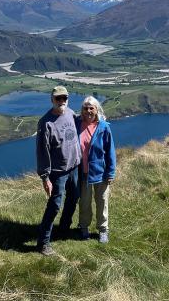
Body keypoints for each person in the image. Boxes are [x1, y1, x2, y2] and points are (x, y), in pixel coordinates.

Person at [35, 85, 81, 255]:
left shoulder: (70, 112)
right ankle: (43, 243)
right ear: (52, 100)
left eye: (64, 98)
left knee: (73, 198)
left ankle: (63, 229)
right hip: (58, 172)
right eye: (58, 98)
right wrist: (45, 177)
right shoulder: (45, 123)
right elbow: (42, 151)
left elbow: (83, 122)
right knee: (55, 205)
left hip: (74, 167)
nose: (62, 101)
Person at [76, 96, 116, 244]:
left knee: (102, 202)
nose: (88, 111)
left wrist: (110, 172)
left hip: (101, 172)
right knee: (84, 203)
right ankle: (84, 227)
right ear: (82, 110)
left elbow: (110, 151)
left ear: (97, 109)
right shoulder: (77, 124)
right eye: (85, 108)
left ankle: (103, 230)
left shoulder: (104, 127)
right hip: (83, 173)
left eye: (91, 108)